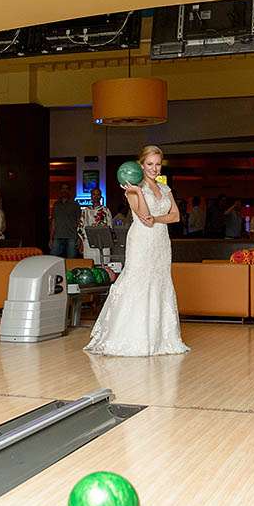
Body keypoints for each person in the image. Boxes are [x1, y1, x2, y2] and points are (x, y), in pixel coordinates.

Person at [85, 145, 190, 357]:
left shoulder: (166, 189)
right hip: (141, 240)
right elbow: (143, 216)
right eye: (150, 164)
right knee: (139, 279)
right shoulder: (132, 187)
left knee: (159, 280)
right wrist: (140, 193)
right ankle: (133, 336)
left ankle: (160, 339)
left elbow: (175, 216)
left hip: (161, 241)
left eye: (158, 164)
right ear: (141, 165)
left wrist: (158, 219)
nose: (154, 168)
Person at [78, 187, 112, 263]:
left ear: (100, 196)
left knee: (103, 261)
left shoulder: (105, 210)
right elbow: (81, 227)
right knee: (90, 262)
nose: (96, 196)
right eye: (94, 194)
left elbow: (110, 227)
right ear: (91, 196)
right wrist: (81, 243)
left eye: (98, 194)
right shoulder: (85, 211)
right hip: (88, 241)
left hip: (102, 241)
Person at [50, 184, 80, 258]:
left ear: (69, 191)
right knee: (53, 260)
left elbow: (79, 222)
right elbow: (53, 221)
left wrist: (80, 238)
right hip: (58, 236)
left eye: (66, 189)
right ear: (60, 191)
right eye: (62, 189)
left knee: (71, 261)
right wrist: (51, 238)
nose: (64, 190)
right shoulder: (56, 205)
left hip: (72, 236)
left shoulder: (75, 204)